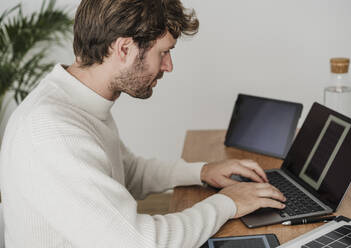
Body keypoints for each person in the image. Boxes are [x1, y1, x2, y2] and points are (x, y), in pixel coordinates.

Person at [0, 0, 286, 247]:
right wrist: (229, 202)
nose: (169, 66)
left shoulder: (77, 103)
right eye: (163, 52)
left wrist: (202, 171)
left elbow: (127, 171)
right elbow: (144, 243)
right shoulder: (55, 133)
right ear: (124, 49)